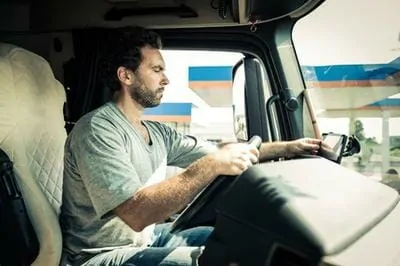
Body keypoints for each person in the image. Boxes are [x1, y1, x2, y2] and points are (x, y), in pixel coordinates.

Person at [59, 26, 322, 266]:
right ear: (125, 75)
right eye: (156, 69)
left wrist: (291, 147)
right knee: (215, 261)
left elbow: (218, 153)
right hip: (99, 256)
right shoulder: (98, 129)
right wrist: (210, 165)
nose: (166, 79)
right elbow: (136, 213)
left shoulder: (157, 132)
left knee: (232, 239)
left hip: (146, 239)